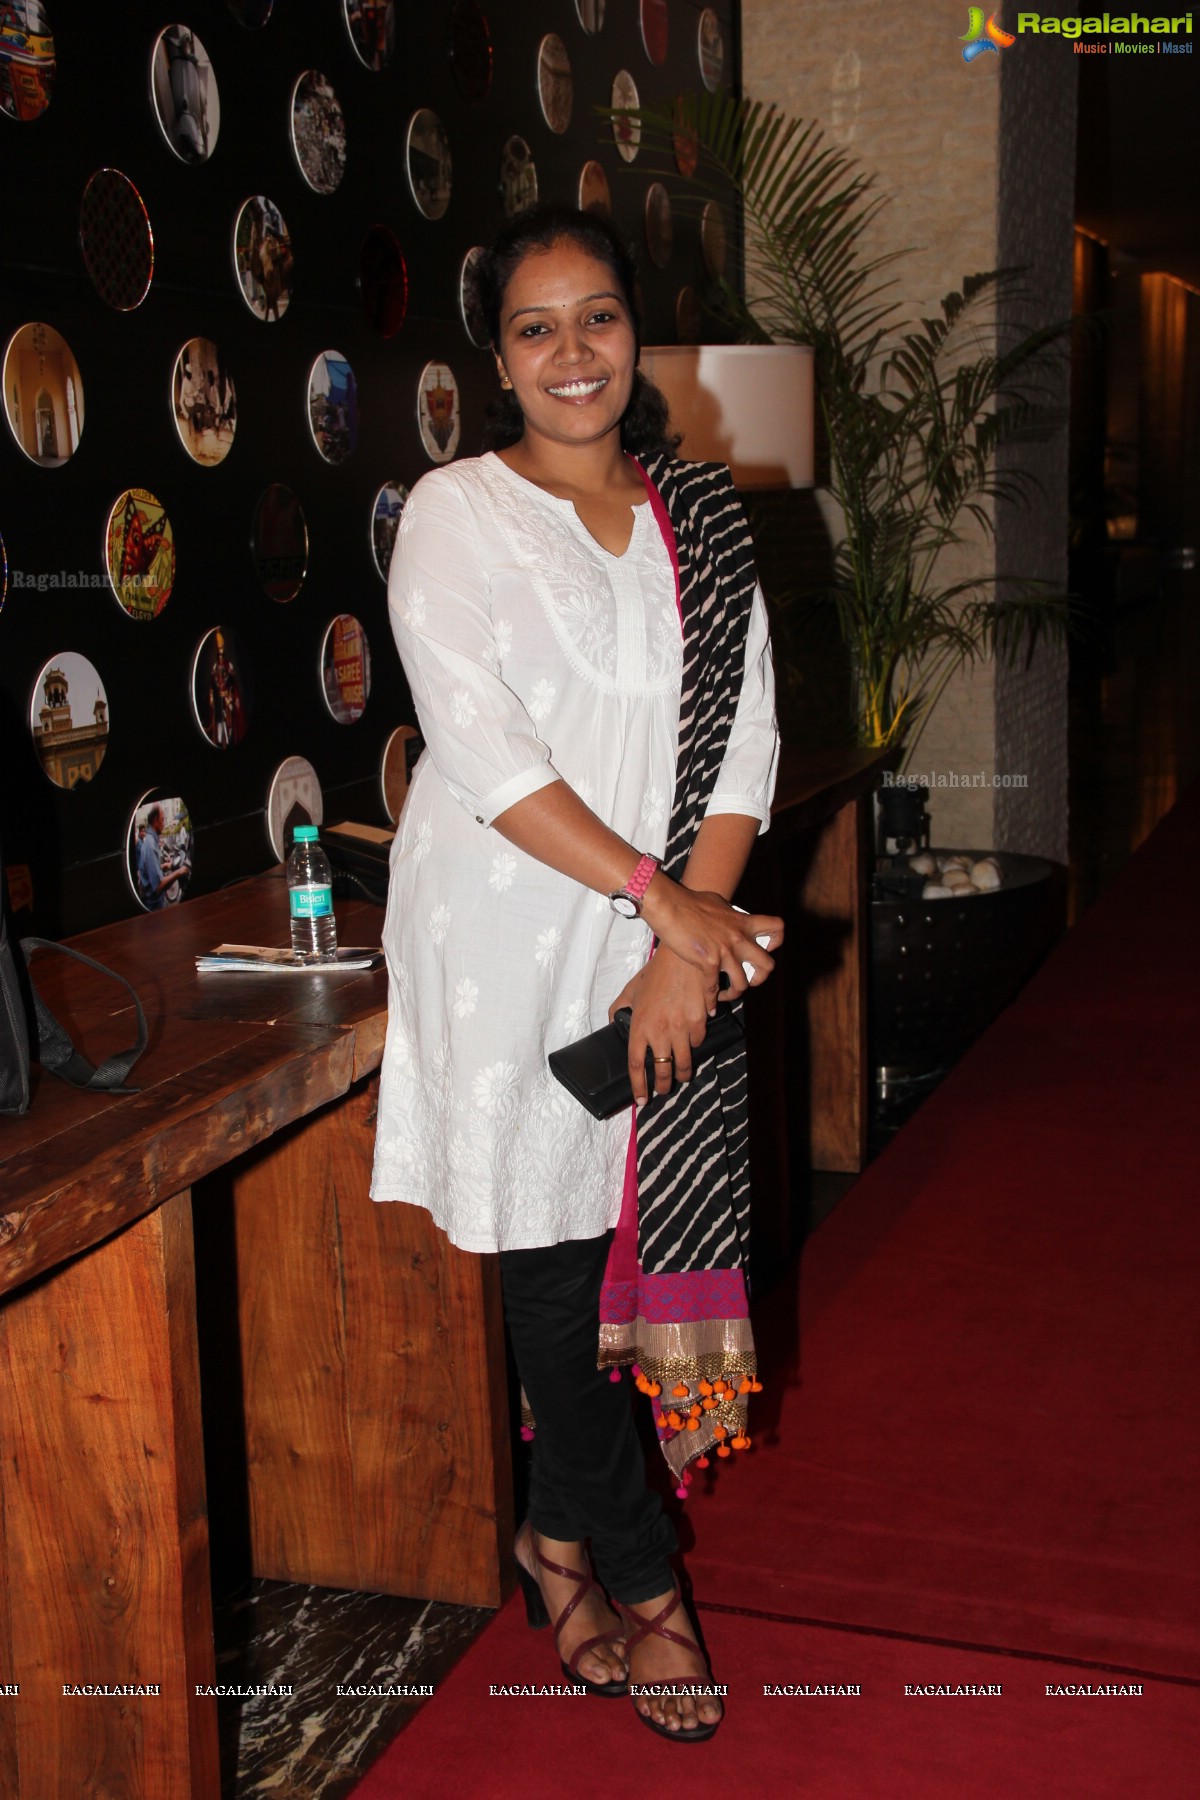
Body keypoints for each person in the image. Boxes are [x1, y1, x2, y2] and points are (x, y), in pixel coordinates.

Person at [371, 205, 782, 1740]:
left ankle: (552, 1542)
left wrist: (695, 938)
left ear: (635, 335)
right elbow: (478, 745)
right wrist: (664, 910)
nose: (571, 353)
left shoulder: (704, 515)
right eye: (536, 328)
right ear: (498, 357)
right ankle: (640, 1574)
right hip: (501, 934)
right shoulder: (458, 512)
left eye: (596, 318)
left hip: (665, 931)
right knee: (552, 1280)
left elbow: (746, 740)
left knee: (604, 1257)